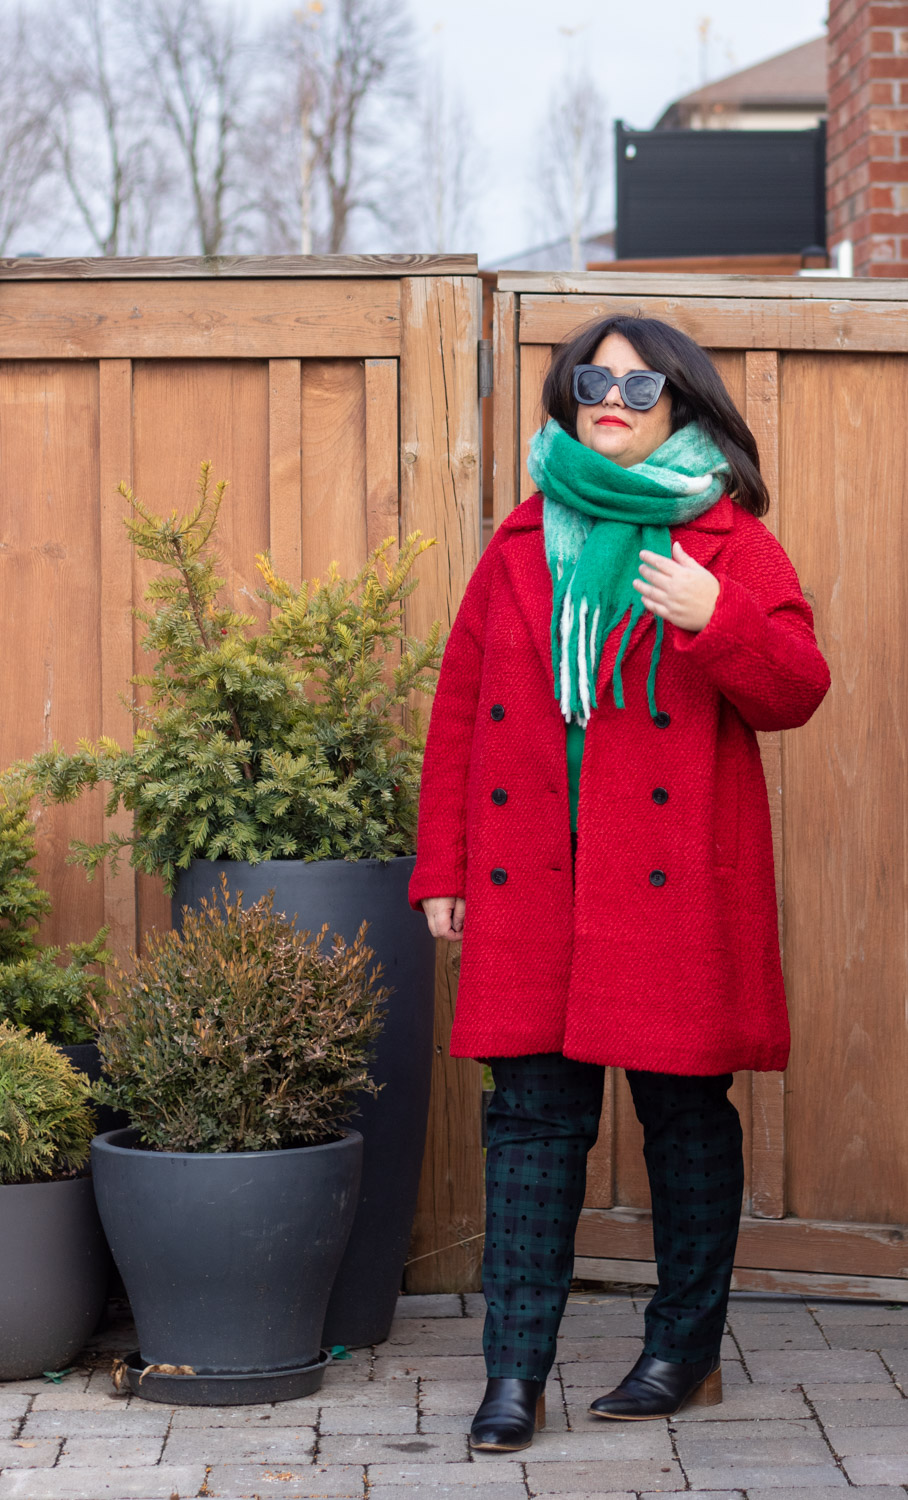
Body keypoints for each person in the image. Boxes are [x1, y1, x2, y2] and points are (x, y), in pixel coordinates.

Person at [408, 314, 830, 1452]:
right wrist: (441, 865)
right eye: (592, 378)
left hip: (669, 878)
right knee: (532, 1123)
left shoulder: (727, 543)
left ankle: (682, 1352)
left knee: (682, 1113)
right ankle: (512, 1375)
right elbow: (459, 711)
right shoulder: (517, 542)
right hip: (534, 875)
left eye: (640, 385)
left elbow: (794, 687)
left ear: (681, 407)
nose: (612, 396)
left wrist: (716, 619)